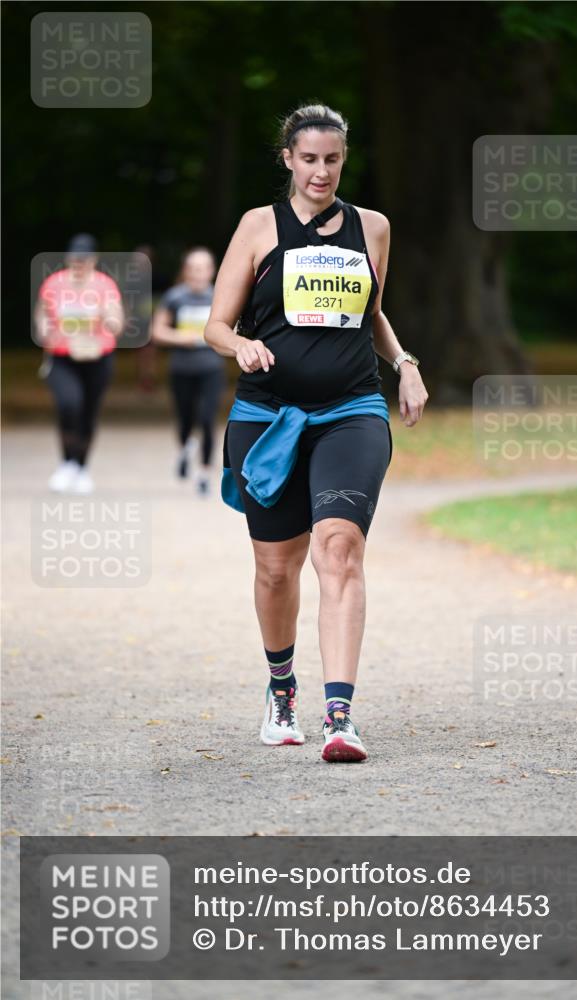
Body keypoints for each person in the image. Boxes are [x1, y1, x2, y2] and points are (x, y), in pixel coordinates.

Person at [204, 104, 428, 763]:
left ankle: (340, 717)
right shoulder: (257, 227)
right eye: (309, 159)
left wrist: (405, 364)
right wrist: (240, 345)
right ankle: (281, 690)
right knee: (276, 569)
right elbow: (215, 324)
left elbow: (372, 313)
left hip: (351, 409)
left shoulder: (373, 228)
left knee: (339, 549)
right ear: (288, 160)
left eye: (332, 159)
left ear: (343, 158)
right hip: (266, 416)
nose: (321, 171)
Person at [34, 233, 124, 494]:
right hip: (63, 357)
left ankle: (82, 467)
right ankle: (67, 463)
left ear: (93, 261)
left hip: (97, 358)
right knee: (68, 405)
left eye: (84, 260)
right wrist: (43, 328)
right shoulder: (54, 283)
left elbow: (117, 322)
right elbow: (42, 315)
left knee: (88, 412)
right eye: (75, 260)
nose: (79, 265)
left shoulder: (104, 285)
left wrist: (107, 317)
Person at [151, 247, 225, 495]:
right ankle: (185, 447)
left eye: (202, 268)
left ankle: (204, 473)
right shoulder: (175, 297)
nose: (198, 273)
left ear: (211, 271)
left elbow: (231, 327)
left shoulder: (220, 297)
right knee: (185, 418)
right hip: (181, 369)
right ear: (185, 271)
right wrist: (182, 338)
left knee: (206, 418)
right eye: (193, 268)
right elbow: (157, 331)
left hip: (211, 369)